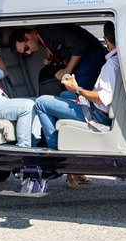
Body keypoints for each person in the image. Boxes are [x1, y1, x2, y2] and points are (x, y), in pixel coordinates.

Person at [33, 21, 120, 188]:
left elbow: (103, 98)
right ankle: (73, 169)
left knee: (42, 103)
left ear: (106, 40)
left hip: (96, 114)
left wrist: (77, 89)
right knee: (64, 94)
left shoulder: (110, 65)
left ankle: (56, 154)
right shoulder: (119, 59)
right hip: (99, 110)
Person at [10, 24, 107, 91]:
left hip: (91, 55)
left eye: (26, 48)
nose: (29, 51)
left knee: (75, 93)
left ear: (27, 36)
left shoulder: (47, 30)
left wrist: (67, 69)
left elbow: (79, 45)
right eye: (25, 53)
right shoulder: (41, 38)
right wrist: (53, 59)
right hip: (83, 60)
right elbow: (64, 50)